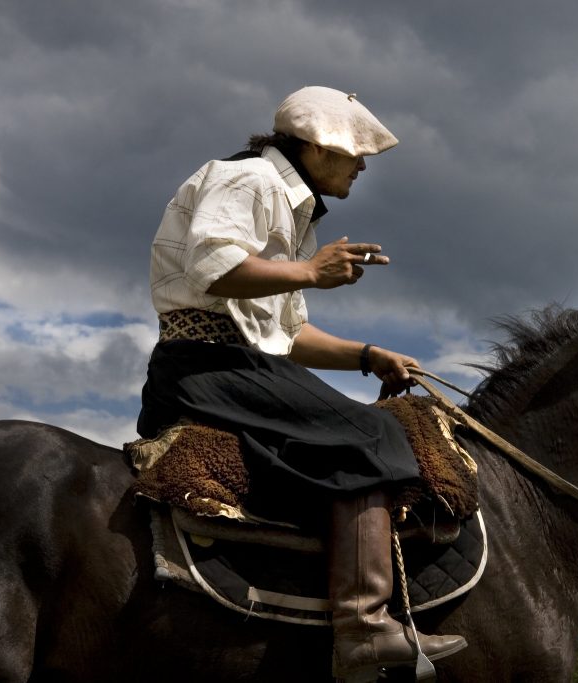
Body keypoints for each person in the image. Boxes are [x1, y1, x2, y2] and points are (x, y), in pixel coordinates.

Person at [137, 86, 467, 681]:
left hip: (238, 366)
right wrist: (310, 272)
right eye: (354, 151)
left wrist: (368, 356)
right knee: (371, 436)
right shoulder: (250, 180)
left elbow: (286, 336)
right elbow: (215, 270)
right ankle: (364, 628)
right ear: (315, 147)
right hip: (206, 366)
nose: (363, 164)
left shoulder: (289, 210)